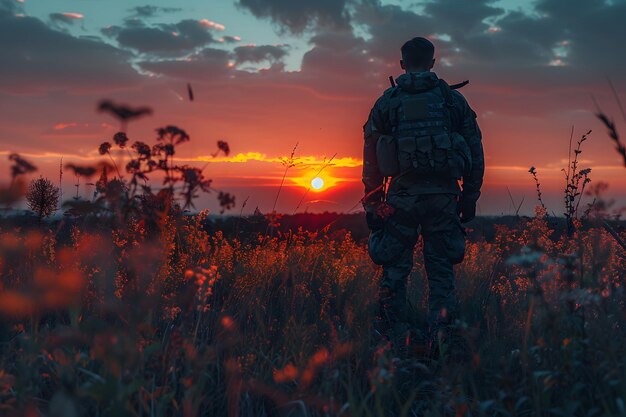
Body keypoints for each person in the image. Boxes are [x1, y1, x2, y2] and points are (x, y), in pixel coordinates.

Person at [362, 37, 484, 359]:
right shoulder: (452, 101)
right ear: (432, 62)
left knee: (394, 271)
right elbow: (475, 149)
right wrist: (470, 197)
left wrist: (373, 203)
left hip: (400, 199)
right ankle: (441, 344)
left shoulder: (387, 102)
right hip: (444, 200)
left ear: (402, 64)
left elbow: (371, 157)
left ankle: (391, 347)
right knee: (441, 273)